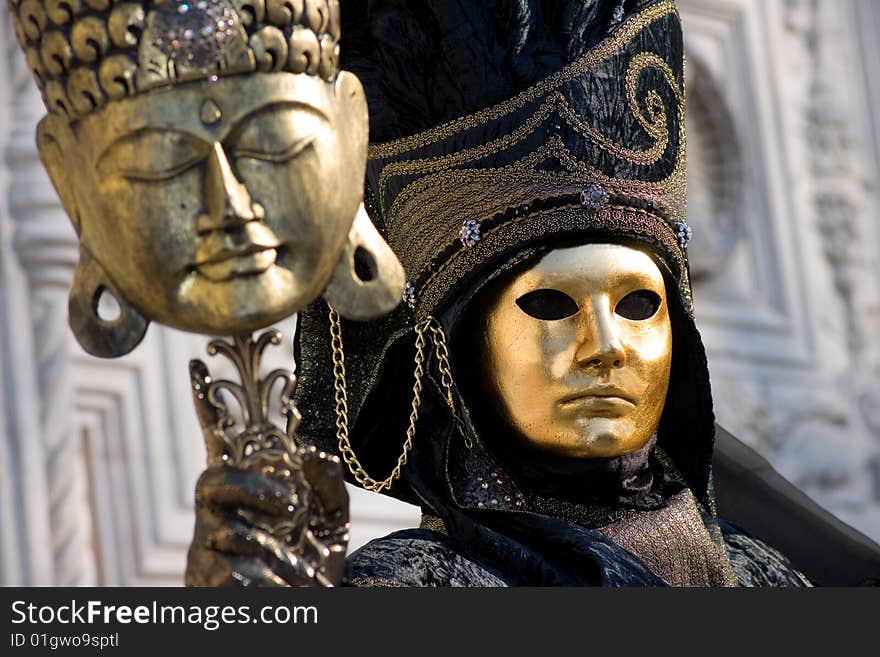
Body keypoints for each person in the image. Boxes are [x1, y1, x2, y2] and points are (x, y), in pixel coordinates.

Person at [186, 0, 880, 587]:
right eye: (551, 304)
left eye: (640, 303)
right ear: (457, 354)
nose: (606, 348)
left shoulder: (764, 571)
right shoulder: (418, 588)